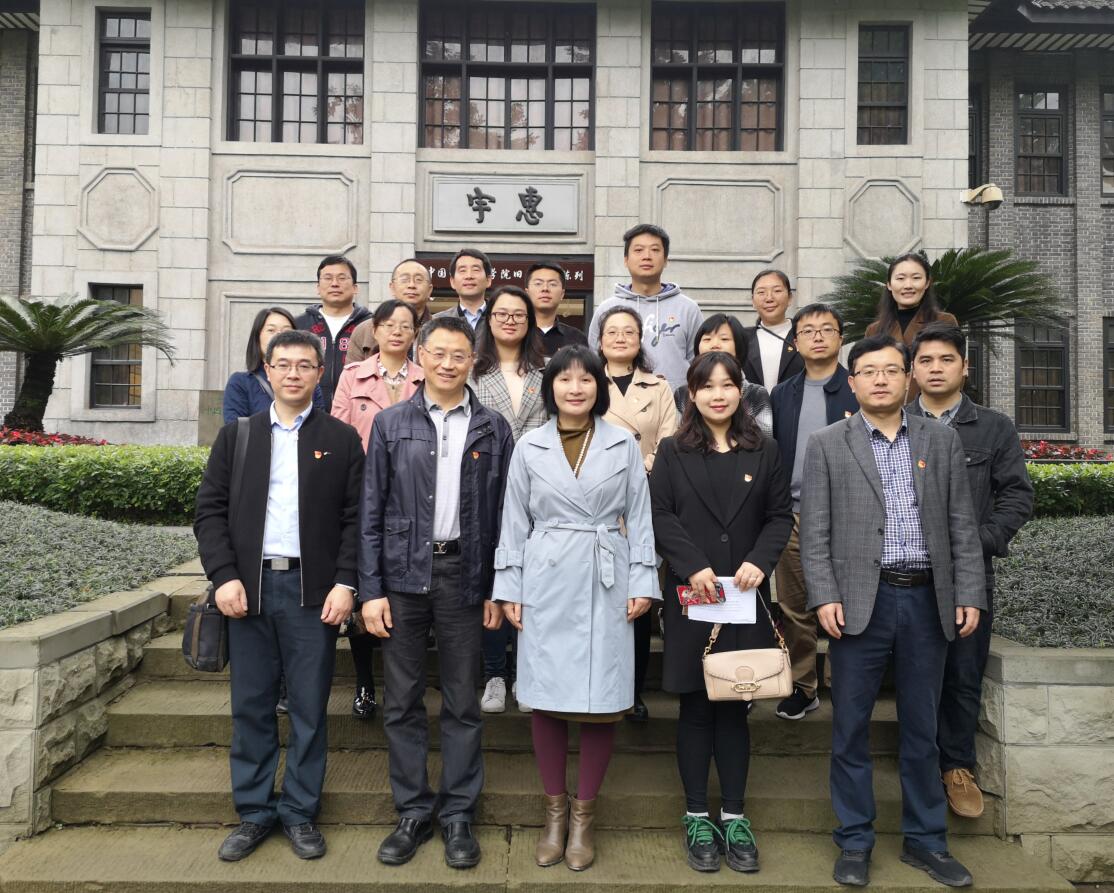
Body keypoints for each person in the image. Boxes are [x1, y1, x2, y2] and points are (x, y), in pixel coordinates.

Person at [800, 334, 986, 889]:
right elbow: (814, 532)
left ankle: (926, 841)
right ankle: (855, 840)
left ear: (907, 379)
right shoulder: (827, 443)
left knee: (922, 728)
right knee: (850, 727)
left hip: (928, 600)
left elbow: (961, 524)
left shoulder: (939, 439)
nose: (880, 379)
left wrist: (969, 593)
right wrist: (824, 595)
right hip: (861, 601)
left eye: (890, 370)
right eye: (868, 371)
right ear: (851, 381)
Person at [194, 330, 364, 863]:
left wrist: (346, 582)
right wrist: (224, 576)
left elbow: (356, 520)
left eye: (304, 365)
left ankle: (299, 812)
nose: (293, 373)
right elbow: (209, 512)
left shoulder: (341, 439)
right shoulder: (238, 436)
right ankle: (253, 811)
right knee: (251, 705)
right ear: (267, 371)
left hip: (313, 594)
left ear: (320, 373)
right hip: (250, 590)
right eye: (283, 364)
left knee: (310, 707)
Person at [492, 344, 658, 872]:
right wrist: (509, 586)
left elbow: (641, 515)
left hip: (606, 574)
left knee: (601, 697)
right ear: (551, 388)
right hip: (545, 576)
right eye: (564, 379)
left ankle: (584, 816)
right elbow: (513, 520)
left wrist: (643, 579)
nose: (575, 387)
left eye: (586, 378)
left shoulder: (622, 443)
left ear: (598, 387)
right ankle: (554, 813)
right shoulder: (529, 445)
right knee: (545, 695)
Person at [358, 316, 513, 870]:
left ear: (473, 361)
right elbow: (371, 510)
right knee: (401, 700)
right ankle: (412, 810)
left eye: (459, 355)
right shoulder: (391, 423)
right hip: (401, 578)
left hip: (465, 576)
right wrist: (370, 590)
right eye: (439, 353)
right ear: (420, 356)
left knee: (462, 700)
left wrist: (498, 586)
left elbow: (506, 515)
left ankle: (458, 814)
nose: (448, 363)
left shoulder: (493, 427)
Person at [649, 351, 793, 874]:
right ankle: (696, 816)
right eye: (706, 386)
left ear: (741, 391)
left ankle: (734, 815)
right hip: (694, 595)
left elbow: (779, 516)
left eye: (727, 385)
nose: (717, 394)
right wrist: (691, 565)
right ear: (692, 393)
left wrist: (760, 560)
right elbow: (659, 514)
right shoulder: (672, 451)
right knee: (695, 706)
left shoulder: (765, 449)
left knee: (735, 704)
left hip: (745, 595)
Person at [907, 323, 1033, 819]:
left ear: (965, 367)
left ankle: (957, 765)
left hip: (967, 574)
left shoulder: (993, 427)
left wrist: (976, 543)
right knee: (912, 674)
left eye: (946, 360)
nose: (935, 369)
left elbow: (1017, 495)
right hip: (904, 572)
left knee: (962, 671)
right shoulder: (893, 421)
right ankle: (917, 762)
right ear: (912, 370)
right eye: (925, 361)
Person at [331, 299, 424, 720]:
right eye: (389, 325)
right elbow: (339, 434)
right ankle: (365, 682)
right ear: (376, 331)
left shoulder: (426, 378)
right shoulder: (352, 376)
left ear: (414, 333)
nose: (397, 332)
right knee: (365, 588)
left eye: (405, 325)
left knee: (403, 594)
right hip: (364, 495)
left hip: (414, 497)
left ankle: (404, 686)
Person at [769, 303, 859, 721]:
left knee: (850, 603)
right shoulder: (782, 393)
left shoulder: (856, 388)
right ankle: (804, 686)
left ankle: (846, 684)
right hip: (793, 514)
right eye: (808, 331)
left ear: (841, 338)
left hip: (848, 515)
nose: (818, 336)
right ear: (795, 342)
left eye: (827, 329)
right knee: (794, 607)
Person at [470, 285, 550, 714]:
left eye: (519, 314)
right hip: (485, 484)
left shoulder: (548, 370)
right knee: (493, 580)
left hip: (540, 487)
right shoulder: (472, 370)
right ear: (489, 319)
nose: (510, 320)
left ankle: (526, 672)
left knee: (532, 581)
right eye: (501, 313)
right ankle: (495, 675)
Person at [597, 305, 676, 723]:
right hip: (598, 502)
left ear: (640, 339)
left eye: (629, 331)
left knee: (639, 596)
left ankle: (634, 689)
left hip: (645, 496)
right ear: (600, 340)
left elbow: (669, 438)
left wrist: (639, 467)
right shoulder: (588, 381)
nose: (621, 338)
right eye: (612, 331)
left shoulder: (658, 387)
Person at [587, 223, 703, 390]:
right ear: (626, 260)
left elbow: (699, 364)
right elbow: (594, 362)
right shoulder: (607, 309)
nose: (647, 256)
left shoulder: (688, 309)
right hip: (617, 401)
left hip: (675, 403)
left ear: (666, 260)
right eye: (638, 250)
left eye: (655, 250)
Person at [864, 252, 959, 404]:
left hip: (932, 409)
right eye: (900, 278)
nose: (908, 285)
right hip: (886, 410)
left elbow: (955, 372)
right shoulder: (874, 330)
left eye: (916, 278)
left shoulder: (944, 321)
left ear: (927, 283)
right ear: (889, 284)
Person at [673, 313, 773, 437]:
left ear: (739, 346)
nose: (714, 345)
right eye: (707, 339)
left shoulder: (756, 394)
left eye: (724, 339)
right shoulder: (683, 394)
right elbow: (678, 437)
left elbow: (764, 439)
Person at [222, 306, 325, 423]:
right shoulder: (240, 383)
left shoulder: (307, 382)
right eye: (271, 330)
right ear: (257, 337)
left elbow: (320, 424)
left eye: (286, 331)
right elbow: (236, 429)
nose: (278, 336)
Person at [295, 255, 372, 407]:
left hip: (358, 410)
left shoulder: (371, 325)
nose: (335, 284)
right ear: (318, 288)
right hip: (308, 411)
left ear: (355, 288)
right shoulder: (299, 324)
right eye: (328, 278)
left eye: (342, 278)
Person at [347, 259, 434, 364]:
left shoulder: (440, 329)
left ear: (430, 290)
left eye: (419, 280)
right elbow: (353, 372)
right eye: (404, 279)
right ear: (392, 287)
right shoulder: (365, 330)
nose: (411, 285)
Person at [741, 269, 805, 393]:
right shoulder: (741, 338)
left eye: (777, 291)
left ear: (790, 298)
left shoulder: (805, 335)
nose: (769, 298)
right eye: (761, 292)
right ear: (753, 301)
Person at [525, 261, 588, 356]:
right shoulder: (516, 333)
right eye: (538, 283)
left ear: (562, 294)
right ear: (527, 292)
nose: (545, 288)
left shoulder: (577, 338)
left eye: (552, 284)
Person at [433, 247, 494, 329]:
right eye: (462, 270)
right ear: (452, 281)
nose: (469, 276)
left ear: (488, 280)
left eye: (475, 270)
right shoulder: (437, 322)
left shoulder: (501, 319)